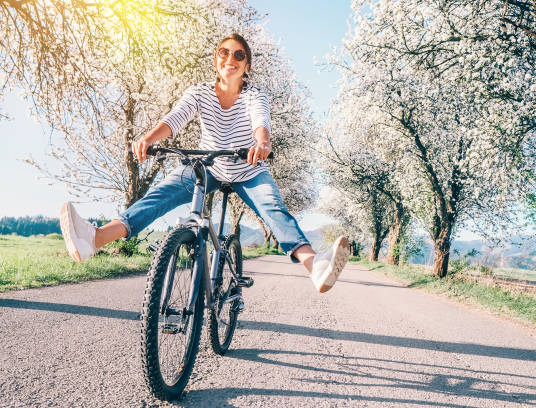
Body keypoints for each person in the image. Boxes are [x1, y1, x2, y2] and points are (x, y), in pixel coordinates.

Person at [59, 33, 349, 293]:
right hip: (208, 166)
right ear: (216, 61)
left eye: (239, 55)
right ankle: (94, 239)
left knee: (273, 208)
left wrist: (262, 143)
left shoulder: (253, 95)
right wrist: (148, 138)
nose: (230, 59)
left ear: (246, 66)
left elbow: (260, 121)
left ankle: (316, 266)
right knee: (159, 195)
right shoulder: (199, 92)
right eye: (224, 52)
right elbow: (175, 119)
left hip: (248, 169)